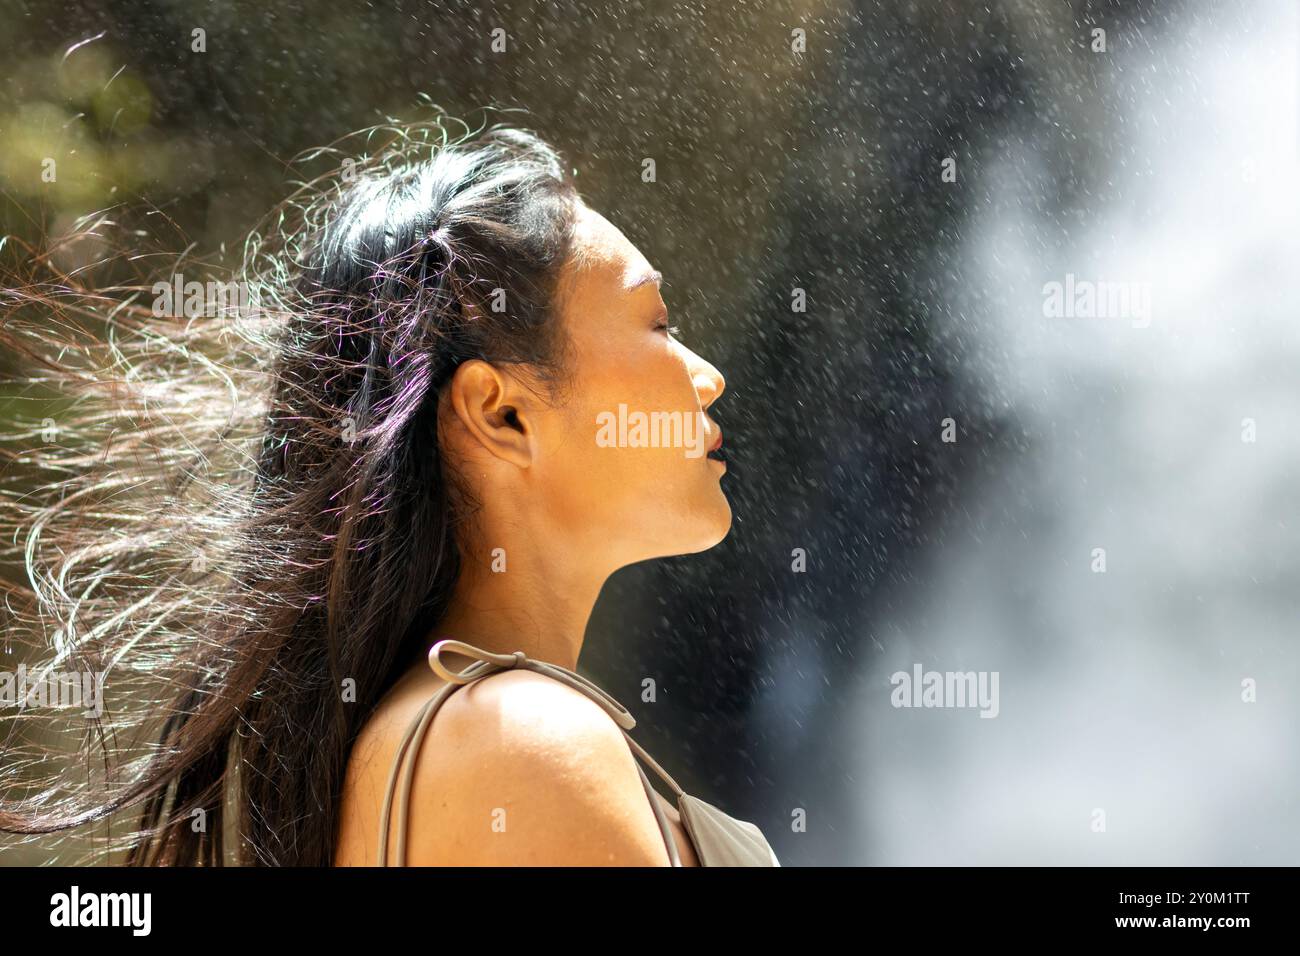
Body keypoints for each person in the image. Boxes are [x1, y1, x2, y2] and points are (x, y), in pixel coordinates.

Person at [0, 112, 775, 866]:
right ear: (502, 414)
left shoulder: (462, 738)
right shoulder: (522, 743)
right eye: (660, 323)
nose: (710, 379)